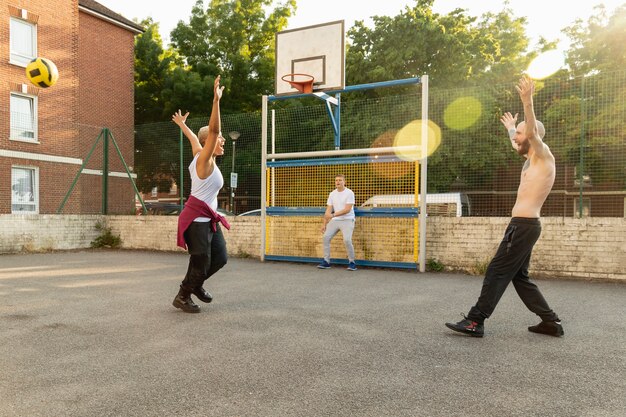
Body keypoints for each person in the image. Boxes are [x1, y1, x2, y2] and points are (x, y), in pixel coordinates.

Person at [445, 75, 563, 337]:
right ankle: (550, 322)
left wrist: (527, 101)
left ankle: (475, 321)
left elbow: (530, 133)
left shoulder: (544, 156)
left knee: (497, 270)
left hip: (523, 226)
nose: (517, 137)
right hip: (525, 226)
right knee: (519, 277)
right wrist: (511, 128)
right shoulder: (529, 159)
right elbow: (517, 142)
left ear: (532, 136)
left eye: (521, 133)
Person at [172, 75, 230, 313]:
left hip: (209, 220)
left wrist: (182, 125)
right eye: (219, 140)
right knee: (200, 261)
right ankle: (183, 295)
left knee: (220, 258)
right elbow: (213, 130)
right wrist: (215, 101)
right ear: (210, 142)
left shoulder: (201, 153)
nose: (223, 141)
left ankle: (195, 285)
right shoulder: (204, 161)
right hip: (197, 221)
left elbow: (195, 138)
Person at [318, 174, 357, 271]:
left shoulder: (349, 193)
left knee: (347, 240)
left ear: (344, 182)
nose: (338, 182)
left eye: (340, 180)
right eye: (336, 180)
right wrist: (324, 224)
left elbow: (347, 210)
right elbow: (328, 211)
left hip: (348, 219)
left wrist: (333, 215)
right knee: (326, 237)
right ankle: (326, 262)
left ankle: (352, 262)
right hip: (335, 220)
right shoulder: (332, 194)